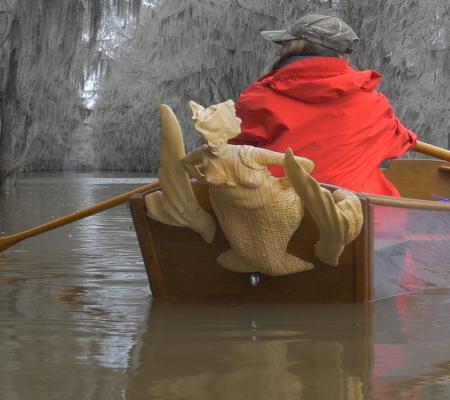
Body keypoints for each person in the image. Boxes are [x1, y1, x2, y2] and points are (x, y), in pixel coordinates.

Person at [231, 14, 417, 197]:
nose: (277, 52)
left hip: (275, 212)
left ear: (296, 48)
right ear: (342, 57)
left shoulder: (258, 97)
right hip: (356, 218)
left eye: (284, 44)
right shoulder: (375, 105)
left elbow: (227, 153)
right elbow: (402, 140)